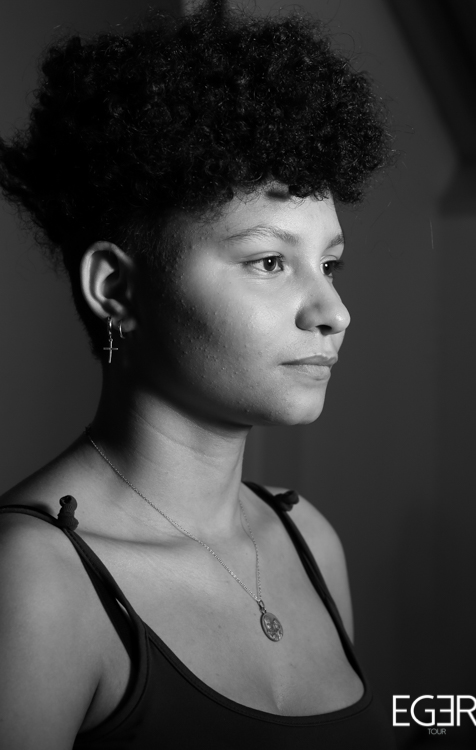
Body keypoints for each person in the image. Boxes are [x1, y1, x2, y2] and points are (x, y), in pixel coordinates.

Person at [0, 1, 396, 747]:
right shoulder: (31, 579)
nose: (333, 312)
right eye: (270, 261)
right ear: (116, 289)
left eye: (330, 264)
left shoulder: (308, 538)